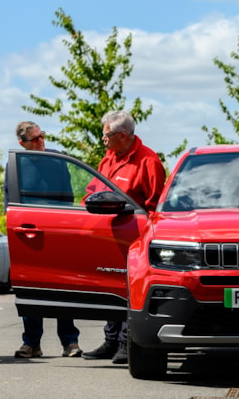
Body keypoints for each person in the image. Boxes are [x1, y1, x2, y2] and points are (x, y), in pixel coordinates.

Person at [82, 110, 166, 364]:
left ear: (122, 135)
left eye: (106, 135)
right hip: (107, 237)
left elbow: (156, 205)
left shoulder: (148, 161)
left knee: (130, 291)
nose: (103, 139)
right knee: (111, 288)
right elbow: (91, 192)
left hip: (134, 240)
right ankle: (110, 341)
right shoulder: (107, 160)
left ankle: (126, 344)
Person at [4, 121, 82, 358]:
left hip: (58, 230)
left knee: (63, 287)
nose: (41, 141)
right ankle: (31, 343)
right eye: (35, 139)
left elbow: (67, 197)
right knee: (30, 289)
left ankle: (70, 342)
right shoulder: (15, 164)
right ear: (22, 143)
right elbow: (10, 202)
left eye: (42, 136)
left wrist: (64, 225)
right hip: (28, 233)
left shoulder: (57, 159)